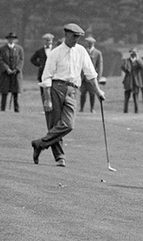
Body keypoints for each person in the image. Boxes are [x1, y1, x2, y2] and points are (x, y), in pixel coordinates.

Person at [30, 23, 105, 167]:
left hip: (72, 90)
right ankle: (60, 157)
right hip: (56, 88)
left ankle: (39, 144)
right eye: (74, 37)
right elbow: (46, 77)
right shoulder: (55, 52)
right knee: (54, 123)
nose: (76, 40)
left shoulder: (81, 51)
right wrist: (47, 100)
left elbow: (90, 73)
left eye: (78, 37)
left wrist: (98, 91)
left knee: (68, 124)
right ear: (66, 35)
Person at [0, 32, 24, 112]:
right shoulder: (2, 49)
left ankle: (16, 109)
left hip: (15, 74)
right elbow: (0, 60)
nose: (11, 40)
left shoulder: (19, 49)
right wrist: (7, 69)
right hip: (6, 74)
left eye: (12, 38)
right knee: (4, 92)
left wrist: (16, 69)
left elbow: (21, 60)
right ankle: (3, 108)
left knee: (15, 92)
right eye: (9, 38)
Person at [79, 36, 104, 112]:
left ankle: (92, 108)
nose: (89, 45)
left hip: (92, 77)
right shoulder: (84, 52)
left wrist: (98, 77)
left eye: (91, 43)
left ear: (93, 43)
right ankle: (81, 108)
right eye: (88, 43)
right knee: (83, 93)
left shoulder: (97, 53)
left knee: (92, 94)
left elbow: (99, 66)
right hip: (83, 77)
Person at [30, 33, 55, 105]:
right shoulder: (40, 51)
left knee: (53, 91)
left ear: (52, 41)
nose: (47, 42)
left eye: (49, 40)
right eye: (46, 40)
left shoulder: (55, 50)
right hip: (42, 73)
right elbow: (32, 59)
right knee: (43, 91)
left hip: (53, 74)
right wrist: (39, 65)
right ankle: (45, 106)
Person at [121, 48, 142, 113]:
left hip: (136, 81)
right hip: (128, 80)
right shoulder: (127, 60)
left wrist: (138, 58)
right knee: (127, 96)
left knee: (136, 96)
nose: (133, 55)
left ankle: (136, 111)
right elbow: (123, 67)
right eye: (132, 53)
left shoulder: (138, 61)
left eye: (134, 53)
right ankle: (125, 111)